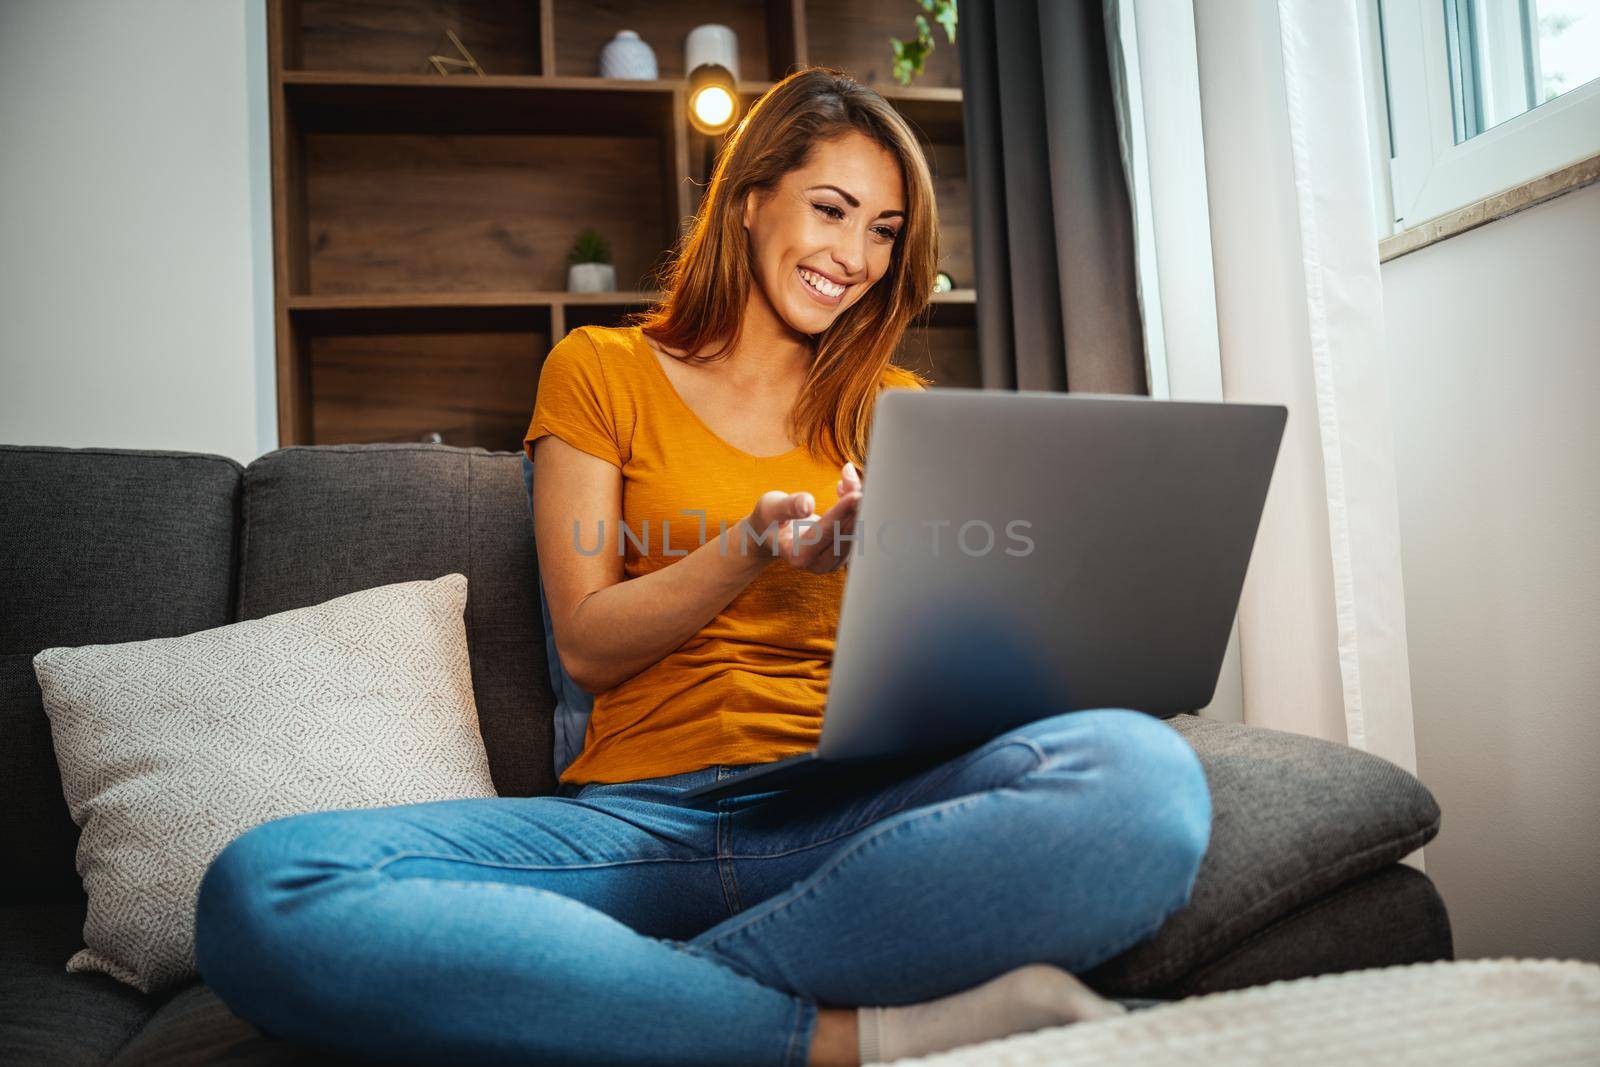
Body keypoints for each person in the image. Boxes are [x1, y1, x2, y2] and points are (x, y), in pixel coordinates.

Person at [193, 67, 1212, 1067]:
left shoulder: (894, 409)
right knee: (264, 887)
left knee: (1145, 781)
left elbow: (966, 663)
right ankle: (839, 1035)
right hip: (636, 826)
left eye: (884, 231)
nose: (854, 254)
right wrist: (754, 546)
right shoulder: (603, 371)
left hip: (847, 821)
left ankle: (616, 996)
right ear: (750, 197)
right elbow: (587, 643)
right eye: (832, 209)